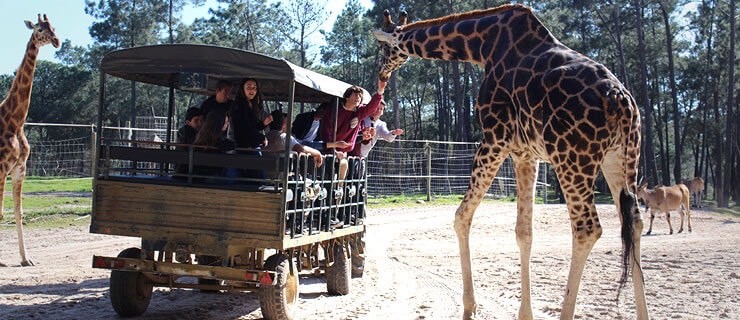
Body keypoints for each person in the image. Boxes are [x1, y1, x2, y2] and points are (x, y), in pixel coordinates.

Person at [319, 81, 386, 155]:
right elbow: (326, 133)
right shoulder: (334, 111)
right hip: (327, 152)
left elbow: (371, 107)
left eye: (360, 96)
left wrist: (380, 91)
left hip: (345, 153)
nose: (358, 97)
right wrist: (334, 151)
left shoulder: (359, 112)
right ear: (347, 97)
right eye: (355, 95)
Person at [192, 108, 236, 178]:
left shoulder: (202, 138)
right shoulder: (219, 142)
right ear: (220, 123)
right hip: (214, 176)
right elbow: (229, 146)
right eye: (226, 122)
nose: (227, 124)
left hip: (199, 175)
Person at [230, 78, 268, 149]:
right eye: (248, 87)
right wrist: (262, 137)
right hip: (244, 146)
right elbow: (244, 128)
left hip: (251, 145)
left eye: (254, 88)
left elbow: (252, 126)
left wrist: (263, 124)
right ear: (242, 89)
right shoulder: (239, 106)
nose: (252, 90)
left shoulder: (251, 105)